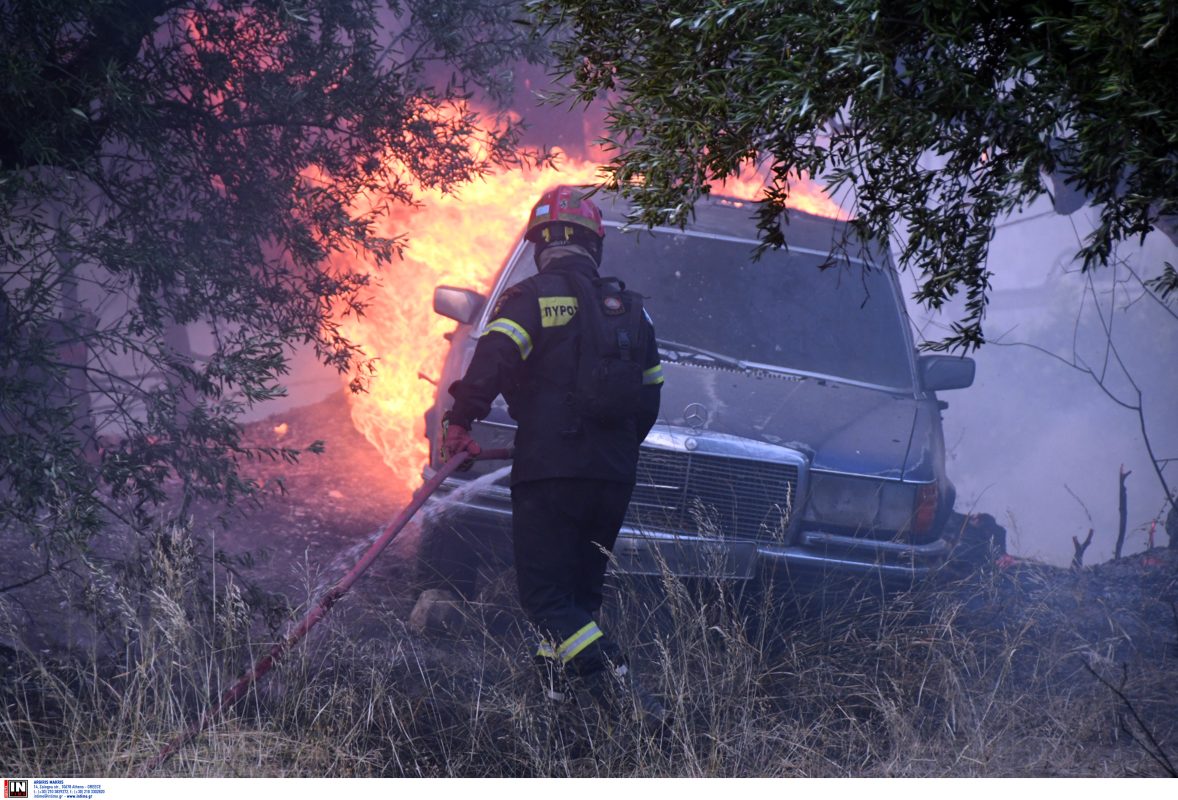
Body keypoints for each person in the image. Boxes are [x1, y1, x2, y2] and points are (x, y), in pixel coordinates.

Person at [442, 185, 666, 722]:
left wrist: (460, 422)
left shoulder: (531, 299)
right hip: (612, 476)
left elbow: (492, 359)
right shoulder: (634, 313)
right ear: (593, 245)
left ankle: (624, 686)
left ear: (542, 244)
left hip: (549, 471)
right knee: (578, 598)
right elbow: (651, 397)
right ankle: (556, 706)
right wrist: (608, 450)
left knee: (545, 598)